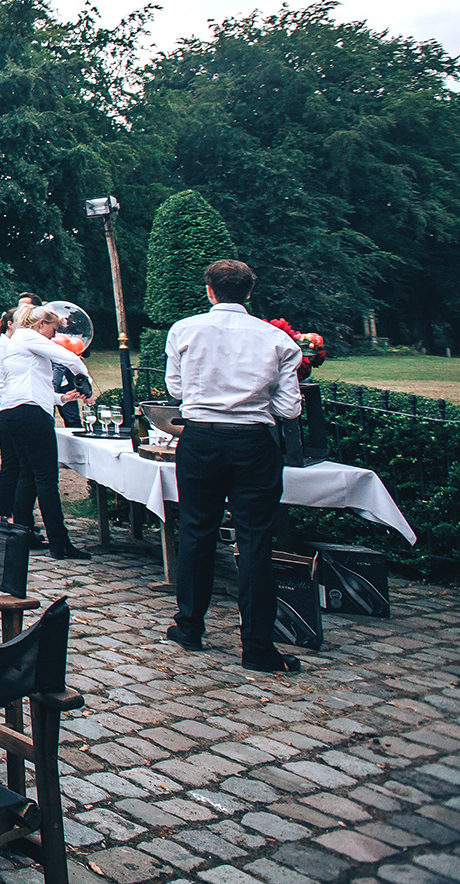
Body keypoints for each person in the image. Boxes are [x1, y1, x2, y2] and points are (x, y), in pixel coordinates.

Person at [164, 260, 304, 674]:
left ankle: (190, 626)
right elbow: (289, 408)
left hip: (202, 437)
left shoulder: (184, 330)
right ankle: (258, 646)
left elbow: (175, 389)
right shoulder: (277, 339)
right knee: (256, 540)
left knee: (195, 530)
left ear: (210, 290)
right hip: (252, 441)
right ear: (248, 293)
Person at [0, 305, 92, 560]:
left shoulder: (15, 343)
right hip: (31, 414)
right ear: (41, 324)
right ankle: (60, 543)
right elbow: (68, 357)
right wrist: (84, 380)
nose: (53, 335)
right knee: (47, 479)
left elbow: (25, 382)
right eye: (53, 329)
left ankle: (23, 535)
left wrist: (60, 398)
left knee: (27, 474)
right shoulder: (29, 336)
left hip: (12, 411)